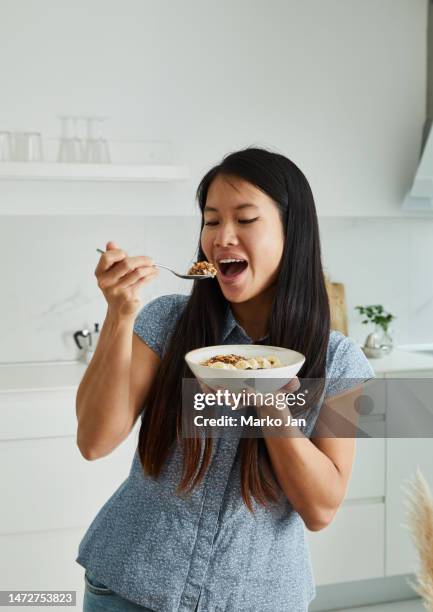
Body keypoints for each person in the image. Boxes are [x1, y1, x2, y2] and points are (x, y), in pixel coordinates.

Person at [75, 147, 374, 611]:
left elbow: (320, 510)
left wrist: (271, 400)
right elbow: (94, 441)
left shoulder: (339, 362)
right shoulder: (168, 323)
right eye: (211, 221)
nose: (222, 237)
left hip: (256, 598)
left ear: (292, 233)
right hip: (130, 586)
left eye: (246, 219)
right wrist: (119, 314)